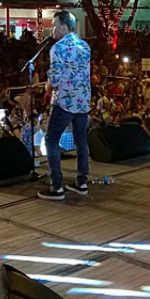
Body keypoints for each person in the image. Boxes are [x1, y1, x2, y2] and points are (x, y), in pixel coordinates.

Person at [38, 11, 91, 201]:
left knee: (51, 140)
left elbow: (55, 79)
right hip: (83, 101)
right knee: (81, 140)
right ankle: (82, 182)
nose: (52, 29)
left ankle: (57, 186)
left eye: (53, 25)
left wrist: (47, 86)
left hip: (65, 102)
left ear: (62, 27)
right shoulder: (85, 46)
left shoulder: (58, 48)